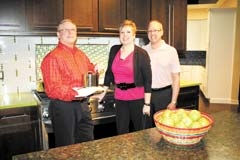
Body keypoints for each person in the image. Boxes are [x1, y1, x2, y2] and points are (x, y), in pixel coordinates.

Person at [41, 19, 96, 147]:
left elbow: (89, 68)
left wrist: (94, 70)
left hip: (82, 105)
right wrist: (76, 93)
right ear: (58, 34)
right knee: (67, 147)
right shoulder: (52, 57)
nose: (70, 32)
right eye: (65, 30)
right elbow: (52, 89)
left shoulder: (80, 54)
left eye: (73, 30)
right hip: (64, 107)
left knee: (86, 142)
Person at [96, 20, 152, 134]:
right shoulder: (114, 50)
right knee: (122, 132)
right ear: (119, 35)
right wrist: (104, 91)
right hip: (120, 97)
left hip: (137, 98)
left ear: (134, 35)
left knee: (140, 132)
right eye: (122, 32)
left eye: (128, 32)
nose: (125, 35)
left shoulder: (142, 54)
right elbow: (109, 73)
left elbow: (147, 80)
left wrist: (147, 104)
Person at [142, 20, 181, 127]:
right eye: (150, 31)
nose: (152, 33)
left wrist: (173, 102)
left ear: (162, 32)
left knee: (164, 126)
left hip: (164, 95)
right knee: (146, 129)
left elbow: (176, 78)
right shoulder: (142, 51)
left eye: (156, 30)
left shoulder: (171, 51)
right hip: (146, 95)